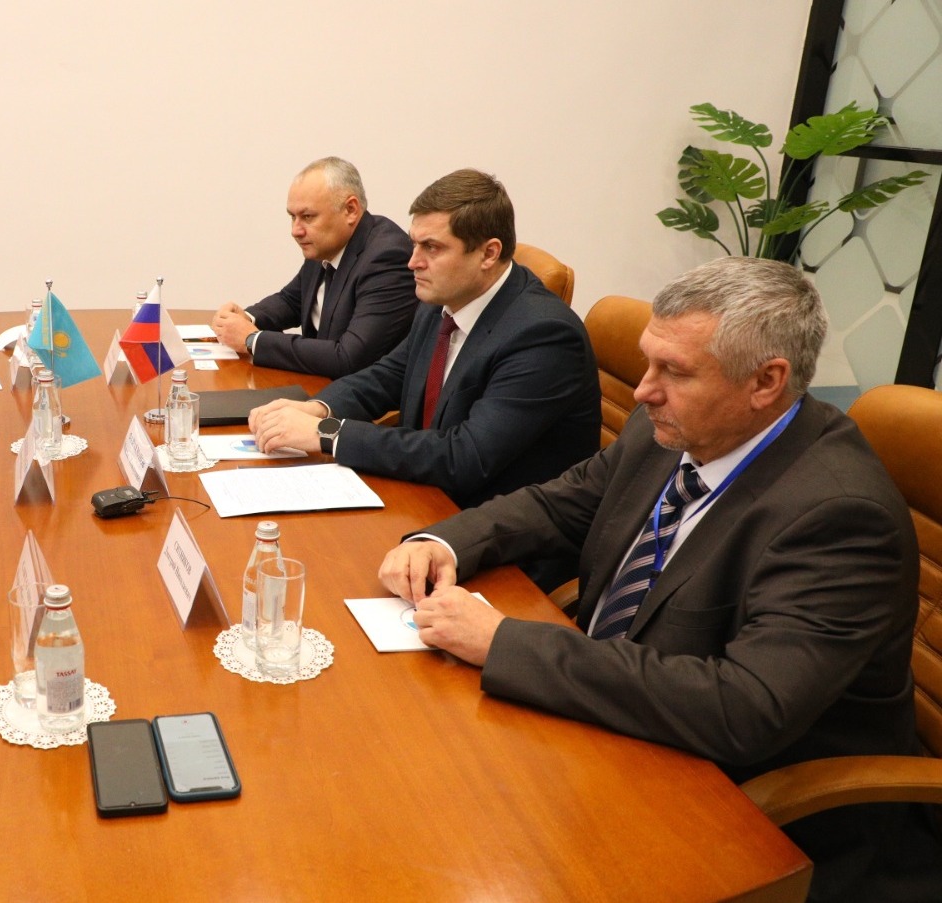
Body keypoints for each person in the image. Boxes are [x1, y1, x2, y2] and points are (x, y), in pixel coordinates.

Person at [378, 256, 942, 902]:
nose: (644, 390)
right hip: (618, 724)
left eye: (674, 371)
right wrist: (443, 541)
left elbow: (744, 708)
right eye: (648, 362)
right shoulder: (680, 429)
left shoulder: (839, 516)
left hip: (742, 808)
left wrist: (504, 641)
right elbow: (564, 502)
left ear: (767, 381)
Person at [250, 169, 597, 587]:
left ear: (488, 253)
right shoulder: (444, 297)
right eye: (415, 243)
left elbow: (464, 457)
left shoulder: (543, 335)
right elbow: (391, 373)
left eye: (431, 247)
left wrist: (328, 434)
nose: (412, 261)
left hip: (500, 549)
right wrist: (318, 408)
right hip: (426, 502)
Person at [210, 157, 416, 378]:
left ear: (350, 210)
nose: (296, 231)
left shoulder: (387, 258)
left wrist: (253, 340)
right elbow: (292, 301)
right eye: (293, 217)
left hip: (363, 395)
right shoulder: (325, 245)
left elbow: (349, 357)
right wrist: (246, 318)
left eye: (307, 217)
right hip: (320, 383)